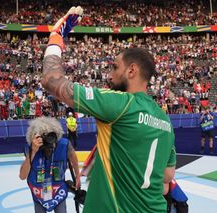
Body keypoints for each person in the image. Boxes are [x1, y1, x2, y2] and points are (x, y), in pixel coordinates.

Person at [41, 6, 176, 212]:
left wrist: (56, 37)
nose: (109, 76)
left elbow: (51, 80)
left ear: (131, 70)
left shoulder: (120, 103)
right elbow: (167, 177)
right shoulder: (165, 121)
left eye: (114, 67)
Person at [19, 117, 80, 213]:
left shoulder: (63, 144)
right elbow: (22, 176)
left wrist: (78, 176)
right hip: (39, 190)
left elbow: (73, 156)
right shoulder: (31, 148)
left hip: (58, 188)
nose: (49, 143)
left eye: (51, 137)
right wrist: (33, 151)